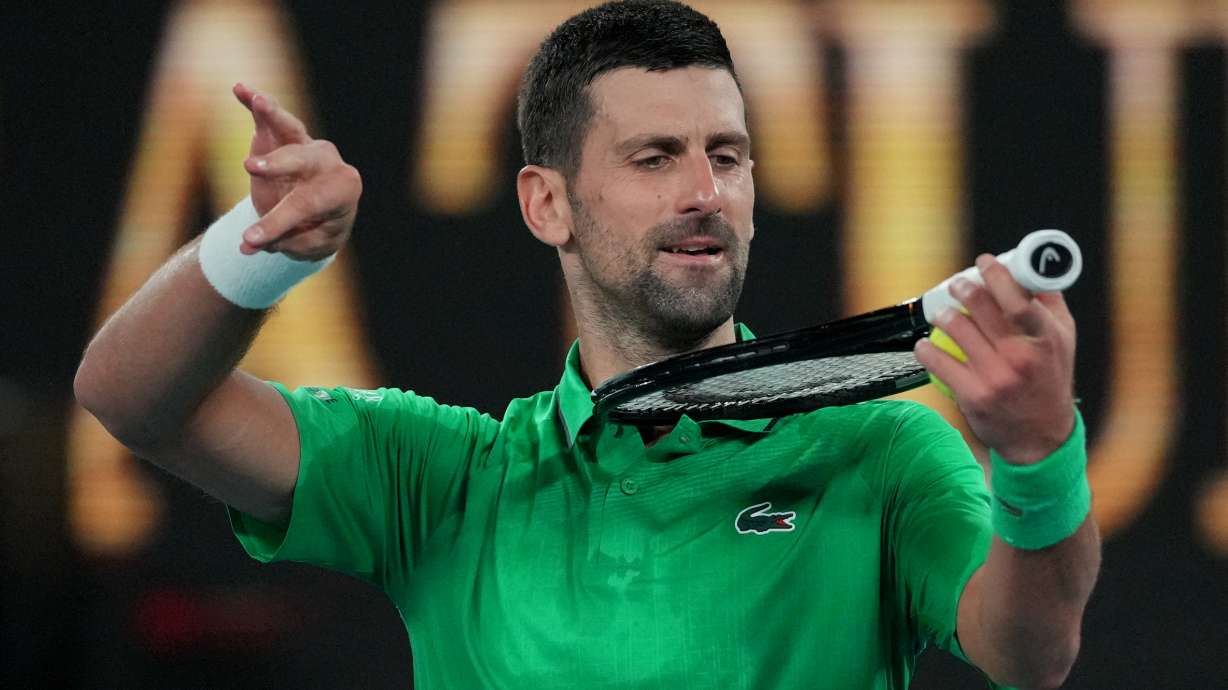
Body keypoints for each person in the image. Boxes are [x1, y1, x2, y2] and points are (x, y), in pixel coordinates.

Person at [75, 1, 1100, 688]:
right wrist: (259, 251)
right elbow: (128, 395)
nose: (704, 192)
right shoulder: (442, 481)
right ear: (546, 203)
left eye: (727, 155)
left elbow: (1031, 655)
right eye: (654, 157)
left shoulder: (881, 453)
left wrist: (1036, 457)